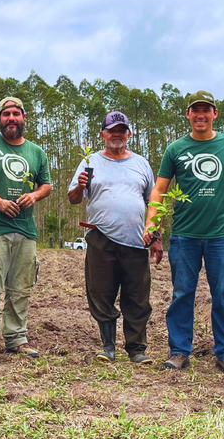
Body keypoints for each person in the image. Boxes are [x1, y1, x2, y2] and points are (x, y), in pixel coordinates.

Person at [144, 91, 224, 375]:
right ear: (188, 115)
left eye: (206, 110)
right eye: (195, 110)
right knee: (183, 293)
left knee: (222, 293)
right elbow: (159, 189)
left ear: (214, 114)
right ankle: (179, 351)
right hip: (184, 235)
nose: (200, 115)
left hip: (221, 235)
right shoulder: (175, 149)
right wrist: (152, 223)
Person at [68, 111, 158, 363]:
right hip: (101, 238)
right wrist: (80, 186)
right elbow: (73, 199)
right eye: (111, 130)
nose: (116, 134)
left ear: (128, 134)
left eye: (121, 130)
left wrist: (156, 234)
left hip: (136, 240)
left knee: (138, 297)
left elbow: (153, 202)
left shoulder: (141, 164)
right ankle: (108, 346)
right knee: (101, 292)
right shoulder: (90, 162)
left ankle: (136, 349)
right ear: (102, 134)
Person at [0, 97, 51, 366]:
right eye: (6, 114)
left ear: (24, 118)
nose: (11, 118)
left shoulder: (36, 152)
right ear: (0, 119)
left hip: (25, 230)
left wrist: (35, 196)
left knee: (21, 288)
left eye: (16, 113)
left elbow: (46, 185)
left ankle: (16, 339)